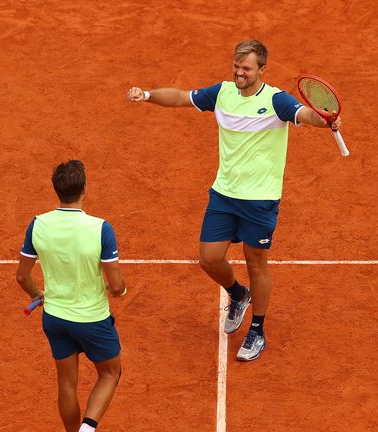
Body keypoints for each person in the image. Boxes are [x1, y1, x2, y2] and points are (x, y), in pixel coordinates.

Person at [126, 39, 341, 362]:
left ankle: (257, 330)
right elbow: (183, 97)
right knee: (209, 258)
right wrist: (147, 95)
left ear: (262, 70)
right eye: (237, 67)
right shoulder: (222, 93)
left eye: (247, 68)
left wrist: (324, 119)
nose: (240, 73)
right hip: (224, 194)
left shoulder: (275, 100)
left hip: (260, 200)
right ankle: (239, 295)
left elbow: (304, 114)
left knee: (256, 263)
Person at [15, 160, 127, 432]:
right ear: (84, 189)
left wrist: (36, 293)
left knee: (66, 383)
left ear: (57, 191)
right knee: (111, 373)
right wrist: (121, 291)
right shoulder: (101, 228)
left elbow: (22, 276)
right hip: (92, 319)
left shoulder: (38, 224)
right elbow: (115, 284)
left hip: (54, 318)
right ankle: (86, 429)